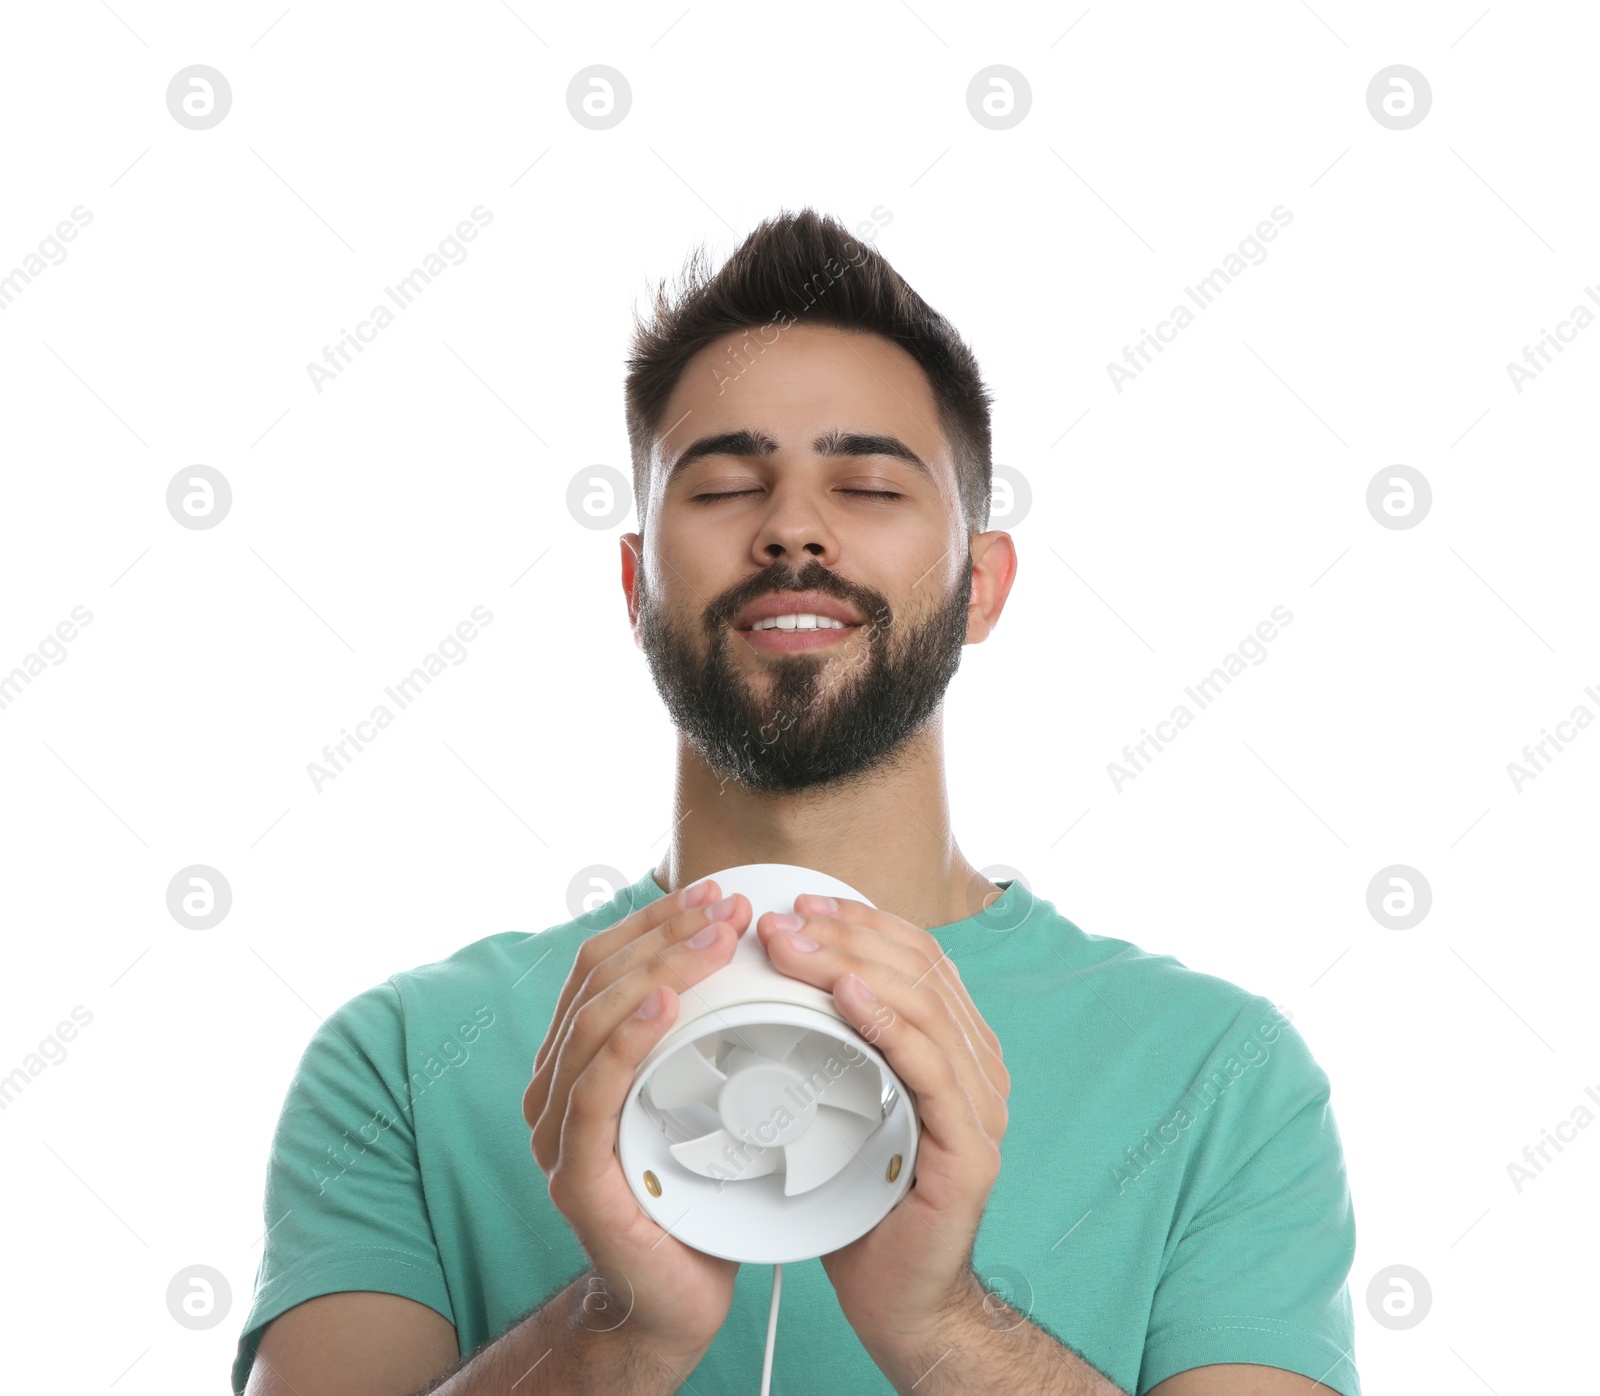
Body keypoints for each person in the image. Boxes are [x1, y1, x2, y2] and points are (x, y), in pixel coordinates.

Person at [233, 208, 1361, 1396]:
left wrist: (941, 1324)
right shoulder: (403, 1060)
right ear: (635, 582)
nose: (791, 530)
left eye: (867, 485)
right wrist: (617, 1331)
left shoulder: (1219, 1075)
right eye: (725, 486)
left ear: (980, 585)